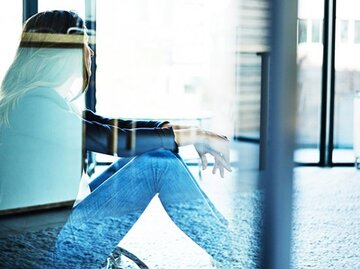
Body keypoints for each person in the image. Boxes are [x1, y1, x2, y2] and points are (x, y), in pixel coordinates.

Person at [0, 10, 234, 268]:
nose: (90, 52)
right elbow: (115, 141)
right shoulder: (34, 106)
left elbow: (112, 126)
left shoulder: (37, 100)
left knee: (153, 157)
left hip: (48, 237)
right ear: (61, 51)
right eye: (85, 44)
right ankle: (231, 251)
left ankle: (225, 243)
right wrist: (195, 135)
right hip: (42, 257)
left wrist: (184, 130)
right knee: (158, 165)